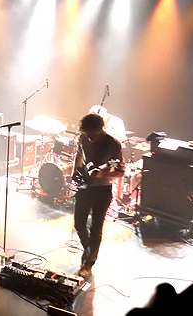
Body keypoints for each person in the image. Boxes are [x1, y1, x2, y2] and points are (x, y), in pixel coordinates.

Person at [73, 112, 124, 279]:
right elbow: (79, 155)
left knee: (96, 228)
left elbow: (120, 171)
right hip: (84, 187)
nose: (89, 136)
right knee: (79, 224)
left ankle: (88, 263)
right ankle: (90, 250)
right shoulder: (83, 137)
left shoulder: (113, 144)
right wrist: (76, 171)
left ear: (100, 129)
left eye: (92, 133)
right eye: (87, 133)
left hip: (102, 190)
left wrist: (101, 174)